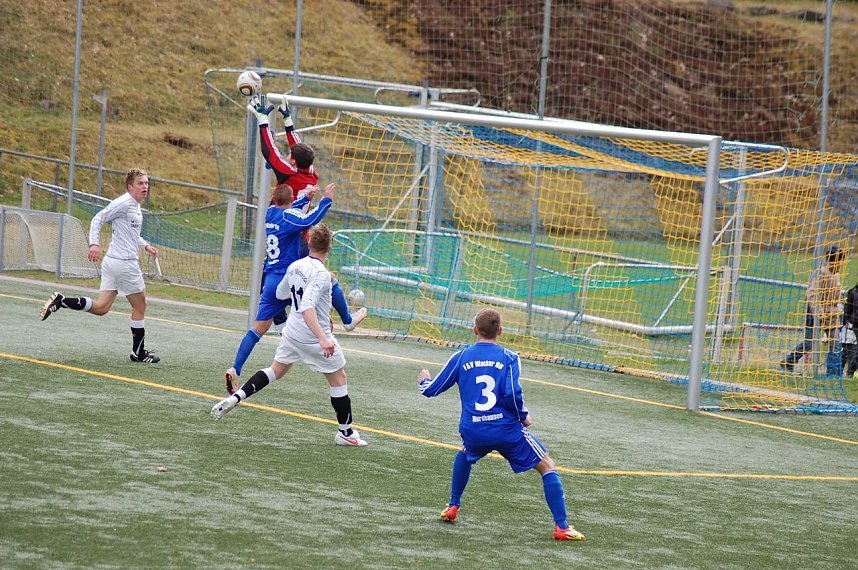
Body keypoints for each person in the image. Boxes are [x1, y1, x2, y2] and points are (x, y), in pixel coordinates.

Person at [416, 308, 585, 541]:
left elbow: (431, 390)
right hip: (506, 431)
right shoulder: (509, 357)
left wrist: (424, 379)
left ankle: (453, 506)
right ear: (501, 331)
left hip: (474, 430)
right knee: (547, 465)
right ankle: (562, 527)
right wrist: (524, 417)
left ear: (475, 330)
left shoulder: (461, 356)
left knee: (466, 452)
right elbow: (512, 393)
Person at [212, 224, 368, 447]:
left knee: (275, 370)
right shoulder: (322, 274)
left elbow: (281, 293)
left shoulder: (295, 265)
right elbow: (307, 307)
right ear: (330, 247)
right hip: (313, 337)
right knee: (339, 378)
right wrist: (323, 338)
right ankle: (345, 432)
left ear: (309, 244)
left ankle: (236, 397)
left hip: (292, 332)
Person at [248, 94, 366, 334]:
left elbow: (270, 152)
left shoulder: (289, 174)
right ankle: (341, 318)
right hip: (299, 233)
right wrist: (288, 121)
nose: (289, 155)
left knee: (289, 279)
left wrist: (263, 120)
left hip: (292, 235)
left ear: (293, 161)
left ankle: (295, 323)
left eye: (291, 155)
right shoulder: (311, 173)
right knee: (293, 276)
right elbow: (299, 148)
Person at [39, 167, 161, 363]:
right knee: (141, 306)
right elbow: (98, 218)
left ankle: (62, 301)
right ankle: (138, 353)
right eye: (140, 183)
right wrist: (94, 243)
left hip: (113, 263)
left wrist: (146, 245)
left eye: (146, 183)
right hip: (125, 265)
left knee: (102, 308)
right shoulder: (124, 202)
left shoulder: (134, 205)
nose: (145, 186)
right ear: (130, 187)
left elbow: (130, 234)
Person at [224, 181, 335, 394]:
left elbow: (290, 209)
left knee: (257, 329)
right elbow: (310, 219)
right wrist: (326, 199)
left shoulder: (269, 213)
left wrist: (305, 197)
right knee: (327, 284)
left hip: (270, 278)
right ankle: (344, 321)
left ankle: (236, 368)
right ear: (291, 199)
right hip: (290, 277)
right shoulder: (289, 217)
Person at [780, 246, 846, 374]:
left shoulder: (836, 275)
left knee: (835, 344)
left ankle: (832, 374)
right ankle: (788, 362)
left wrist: (839, 307)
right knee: (809, 343)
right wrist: (819, 313)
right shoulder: (820, 273)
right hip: (815, 314)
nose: (841, 264)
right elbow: (812, 295)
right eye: (840, 260)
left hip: (831, 316)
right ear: (833, 260)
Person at [840, 280, 858, 377]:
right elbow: (847, 311)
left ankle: (849, 373)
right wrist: (844, 324)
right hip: (853, 326)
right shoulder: (853, 292)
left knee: (849, 352)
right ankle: (848, 373)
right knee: (848, 351)